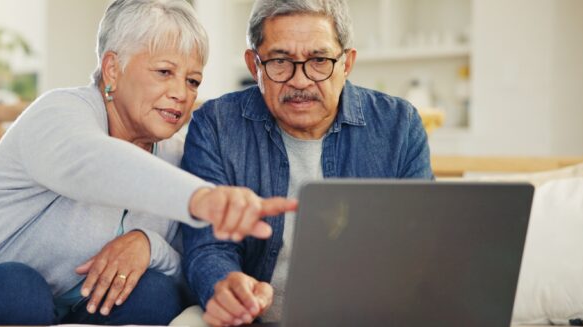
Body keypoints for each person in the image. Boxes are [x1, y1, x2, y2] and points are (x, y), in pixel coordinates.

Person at [0, 0, 296, 325]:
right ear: (112, 69)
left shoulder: (175, 155)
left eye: (192, 81)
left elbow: (185, 263)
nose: (181, 93)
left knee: (156, 293)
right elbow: (92, 163)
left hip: (72, 306)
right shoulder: (58, 114)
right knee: (21, 288)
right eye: (164, 72)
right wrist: (202, 198)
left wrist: (147, 245)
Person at [180, 0, 434, 325]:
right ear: (253, 64)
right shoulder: (215, 125)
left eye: (318, 60)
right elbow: (207, 246)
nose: (300, 81)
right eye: (280, 61)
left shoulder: (399, 126)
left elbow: (419, 246)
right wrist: (225, 285)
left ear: (347, 63)